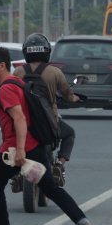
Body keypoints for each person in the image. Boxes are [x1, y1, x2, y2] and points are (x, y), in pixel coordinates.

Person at [0, 46, 101, 225]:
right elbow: (17, 122)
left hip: (19, 151)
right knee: (51, 189)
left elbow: (19, 119)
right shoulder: (17, 83)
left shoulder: (6, 88)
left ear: (2, 66)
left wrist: (19, 150)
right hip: (33, 147)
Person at [14, 33, 81, 165]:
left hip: (23, 120)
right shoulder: (55, 72)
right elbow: (68, 95)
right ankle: (59, 165)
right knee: (70, 134)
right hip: (49, 122)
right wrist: (76, 99)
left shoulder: (17, 72)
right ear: (46, 51)